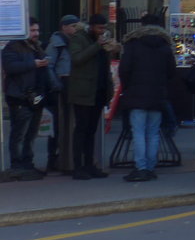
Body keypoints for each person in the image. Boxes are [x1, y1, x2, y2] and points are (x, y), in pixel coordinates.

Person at [118, 14, 176, 182]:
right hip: (158, 95)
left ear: (141, 25)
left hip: (136, 94)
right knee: (153, 133)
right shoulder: (165, 45)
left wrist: (129, 87)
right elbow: (171, 71)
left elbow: (124, 70)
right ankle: (150, 167)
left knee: (139, 132)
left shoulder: (133, 44)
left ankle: (141, 167)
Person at [68, 14, 120, 180]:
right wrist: (97, 46)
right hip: (83, 92)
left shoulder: (101, 41)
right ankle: (78, 166)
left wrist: (112, 49)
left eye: (104, 28)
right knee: (81, 129)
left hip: (98, 91)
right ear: (91, 27)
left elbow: (105, 66)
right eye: (99, 28)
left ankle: (90, 165)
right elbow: (77, 59)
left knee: (91, 131)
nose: (102, 31)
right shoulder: (78, 38)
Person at [2, 21, 51, 180]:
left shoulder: (37, 46)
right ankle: (17, 166)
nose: (36, 33)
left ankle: (28, 164)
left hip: (35, 96)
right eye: (32, 30)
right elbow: (10, 67)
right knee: (19, 133)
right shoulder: (13, 46)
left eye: (37, 30)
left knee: (31, 133)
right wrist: (33, 64)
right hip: (20, 96)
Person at [45, 14, 79, 174]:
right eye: (73, 26)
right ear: (64, 27)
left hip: (71, 86)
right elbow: (48, 66)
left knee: (68, 124)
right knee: (58, 126)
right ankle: (53, 159)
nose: (75, 29)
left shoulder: (75, 42)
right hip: (60, 87)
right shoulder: (56, 44)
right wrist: (56, 85)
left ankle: (65, 158)